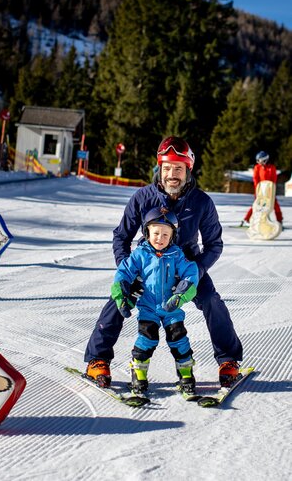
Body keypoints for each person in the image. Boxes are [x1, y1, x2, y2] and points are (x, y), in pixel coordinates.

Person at [84, 136, 243, 388]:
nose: (172, 174)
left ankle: (228, 360)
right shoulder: (142, 198)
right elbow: (121, 237)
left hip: (187, 268)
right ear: (159, 168)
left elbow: (214, 244)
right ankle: (97, 360)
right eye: (167, 168)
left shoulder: (201, 202)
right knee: (118, 300)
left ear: (188, 171)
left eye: (178, 169)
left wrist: (197, 272)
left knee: (212, 301)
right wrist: (129, 272)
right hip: (146, 268)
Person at [111, 207, 199, 395]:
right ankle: (139, 375)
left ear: (172, 236)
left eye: (166, 234)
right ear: (147, 232)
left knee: (178, 338)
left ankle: (186, 374)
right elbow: (123, 272)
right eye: (156, 233)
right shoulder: (140, 254)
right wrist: (122, 295)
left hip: (171, 308)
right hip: (148, 308)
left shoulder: (176, 255)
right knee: (147, 338)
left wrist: (181, 295)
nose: (160, 238)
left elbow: (191, 272)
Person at [241, 151, 283, 226]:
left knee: (274, 204)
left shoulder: (271, 168)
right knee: (256, 205)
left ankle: (279, 221)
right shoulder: (257, 167)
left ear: (264, 160)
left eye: (259, 160)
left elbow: (274, 179)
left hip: (269, 190)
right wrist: (258, 190)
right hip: (260, 190)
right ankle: (246, 219)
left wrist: (271, 188)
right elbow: (255, 179)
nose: (258, 162)